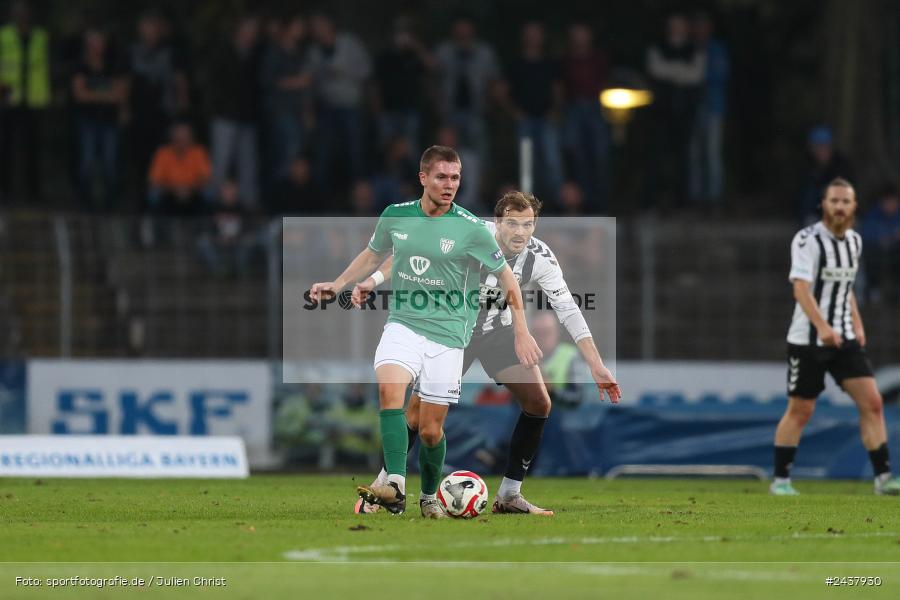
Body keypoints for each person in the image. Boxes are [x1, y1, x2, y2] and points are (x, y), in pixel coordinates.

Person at [354, 190, 620, 515]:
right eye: (512, 223)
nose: (520, 232)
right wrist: (374, 279)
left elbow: (567, 308)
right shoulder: (467, 231)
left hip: (498, 333)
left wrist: (596, 364)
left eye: (528, 224)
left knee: (539, 402)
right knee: (418, 417)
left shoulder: (540, 258)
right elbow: (410, 252)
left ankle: (509, 494)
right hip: (453, 330)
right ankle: (385, 485)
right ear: (497, 222)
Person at [310, 146, 541, 518]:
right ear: (423, 178)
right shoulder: (396, 216)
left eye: (455, 178)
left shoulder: (470, 228)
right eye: (442, 177)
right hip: (403, 324)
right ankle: (396, 486)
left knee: (431, 431)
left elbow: (507, 279)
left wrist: (521, 331)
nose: (450, 185)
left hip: (450, 336)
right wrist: (338, 285)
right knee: (389, 390)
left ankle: (429, 496)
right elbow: (374, 254)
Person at [772, 177, 900, 496]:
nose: (840, 207)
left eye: (846, 201)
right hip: (809, 340)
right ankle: (781, 480)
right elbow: (801, 288)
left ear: (854, 207)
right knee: (801, 410)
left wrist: (856, 323)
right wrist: (822, 327)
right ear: (824, 205)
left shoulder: (854, 242)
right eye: (834, 201)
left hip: (844, 339)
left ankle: (883, 478)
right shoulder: (807, 240)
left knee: (872, 402)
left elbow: (846, 289)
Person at [71, 27, 128, 212]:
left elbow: (121, 93)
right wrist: (108, 94)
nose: (96, 46)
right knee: (86, 161)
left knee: (110, 162)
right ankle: (85, 202)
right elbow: (80, 95)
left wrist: (93, 93)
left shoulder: (113, 64)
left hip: (109, 121)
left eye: (100, 41)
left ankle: (111, 203)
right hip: (87, 120)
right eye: (92, 42)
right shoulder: (81, 65)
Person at [0, 0, 51, 203]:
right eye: (18, 11)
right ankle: (5, 189)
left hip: (33, 98)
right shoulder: (3, 35)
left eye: (25, 11)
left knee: (33, 146)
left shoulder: (40, 36)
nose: (22, 15)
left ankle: (33, 192)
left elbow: (44, 66)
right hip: (8, 98)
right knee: (6, 146)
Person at [147, 121, 211, 215]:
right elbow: (154, 180)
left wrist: (189, 188)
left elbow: (205, 178)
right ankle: (158, 226)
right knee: (153, 194)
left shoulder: (198, 152)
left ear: (191, 138)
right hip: (168, 192)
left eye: (185, 137)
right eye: (178, 138)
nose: (182, 141)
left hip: (192, 191)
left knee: (209, 192)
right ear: (172, 138)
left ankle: (204, 226)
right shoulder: (163, 153)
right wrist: (174, 189)